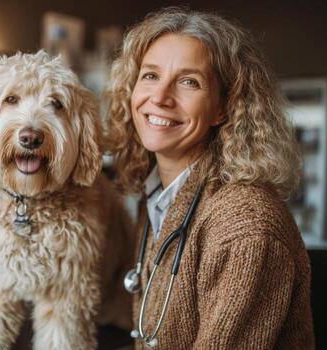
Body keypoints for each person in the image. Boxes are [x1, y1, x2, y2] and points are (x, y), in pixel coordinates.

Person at [106, 7, 315, 349]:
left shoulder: (246, 227)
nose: (159, 97)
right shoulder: (160, 195)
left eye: (189, 82)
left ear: (224, 107)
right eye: (150, 76)